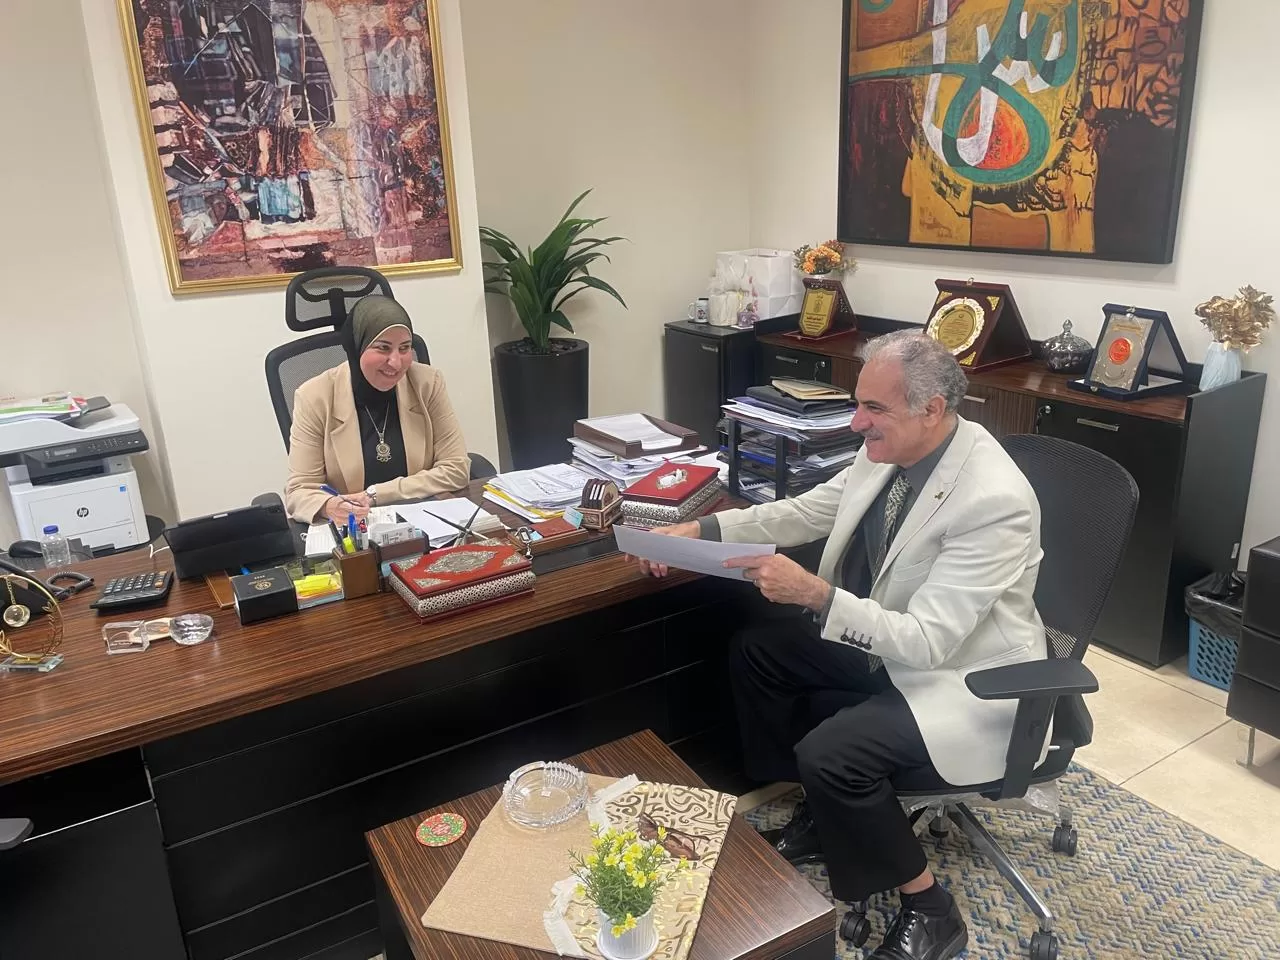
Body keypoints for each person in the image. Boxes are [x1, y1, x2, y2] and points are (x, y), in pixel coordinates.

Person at [635, 331, 1047, 960]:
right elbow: (806, 512)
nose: (856, 423)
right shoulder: (890, 449)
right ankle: (821, 814)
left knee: (832, 753)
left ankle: (931, 909)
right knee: (759, 652)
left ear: (932, 409)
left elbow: (929, 641)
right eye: (858, 404)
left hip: (962, 678)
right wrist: (701, 528)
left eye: (873, 408)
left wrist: (818, 595)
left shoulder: (993, 500)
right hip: (892, 643)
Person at [284, 296, 470, 524]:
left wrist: (375, 495)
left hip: (425, 523)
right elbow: (300, 491)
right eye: (383, 348)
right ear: (357, 347)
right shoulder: (315, 396)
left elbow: (457, 468)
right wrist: (328, 505)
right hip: (356, 528)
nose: (396, 362)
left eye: (405, 348)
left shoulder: (427, 383)